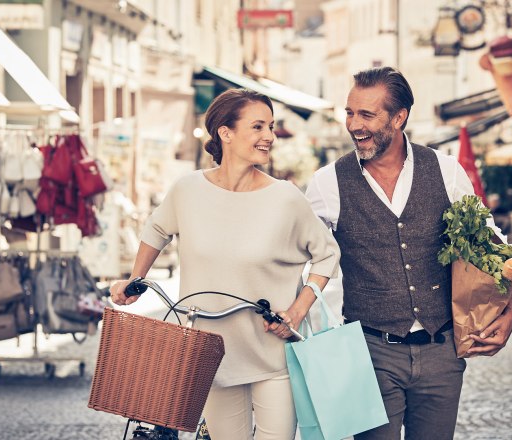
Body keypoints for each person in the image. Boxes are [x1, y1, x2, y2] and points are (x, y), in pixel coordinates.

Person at [110, 88, 340, 439]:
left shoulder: (285, 198)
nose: (269, 136)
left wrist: (296, 311)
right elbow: (156, 228)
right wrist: (135, 280)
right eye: (258, 127)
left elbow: (328, 254)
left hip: (272, 354)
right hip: (210, 355)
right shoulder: (188, 190)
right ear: (225, 132)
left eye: (271, 127)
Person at [305, 66, 512, 439]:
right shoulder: (327, 184)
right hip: (369, 352)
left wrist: (510, 307)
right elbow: (300, 258)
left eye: (367, 114)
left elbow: (487, 245)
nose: (354, 124)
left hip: (441, 351)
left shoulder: (446, 171)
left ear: (399, 116)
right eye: (350, 112)